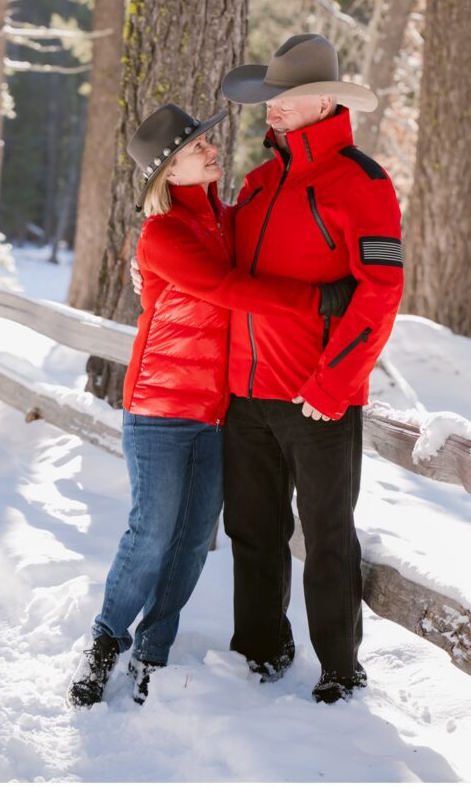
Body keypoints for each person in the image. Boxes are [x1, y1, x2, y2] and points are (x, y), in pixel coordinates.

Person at [68, 103, 350, 709]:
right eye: (193, 149)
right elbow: (229, 289)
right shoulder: (163, 233)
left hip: (217, 413)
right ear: (168, 174)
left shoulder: (226, 221)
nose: (210, 150)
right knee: (151, 533)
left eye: (205, 141)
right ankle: (104, 643)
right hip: (160, 409)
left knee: (194, 539)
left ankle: (153, 652)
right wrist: (318, 300)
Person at [220, 33, 404, 704]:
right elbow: (230, 276)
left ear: (324, 101)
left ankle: (339, 666)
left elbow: (380, 291)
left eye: (287, 101)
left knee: (327, 534)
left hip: (316, 397)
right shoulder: (260, 182)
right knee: (252, 528)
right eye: (270, 99)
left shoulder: (360, 182)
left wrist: (333, 384)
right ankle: (260, 648)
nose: (272, 110)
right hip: (244, 392)